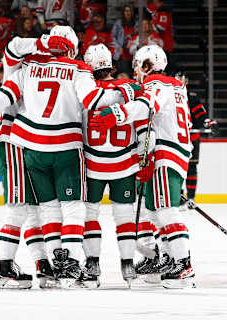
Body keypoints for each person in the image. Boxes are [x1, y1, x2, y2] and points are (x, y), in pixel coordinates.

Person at [0, 26, 137, 287]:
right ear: (71, 48)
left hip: (27, 146)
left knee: (42, 210)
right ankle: (67, 263)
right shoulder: (77, 68)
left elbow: (6, 91)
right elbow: (94, 99)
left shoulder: (28, 66)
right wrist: (125, 92)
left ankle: (47, 266)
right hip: (63, 146)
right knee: (70, 208)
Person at [90, 45, 195, 289]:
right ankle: (168, 259)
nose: (136, 70)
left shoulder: (157, 84)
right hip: (174, 151)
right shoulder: (176, 86)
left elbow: (146, 107)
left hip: (166, 152)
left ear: (147, 66)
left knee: (166, 211)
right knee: (155, 211)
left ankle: (184, 266)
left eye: (138, 65)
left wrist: (114, 114)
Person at [81, 44, 151, 287]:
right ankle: (128, 265)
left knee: (89, 214)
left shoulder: (85, 90)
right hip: (124, 163)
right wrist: (146, 156)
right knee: (124, 214)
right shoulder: (130, 88)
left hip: (92, 164)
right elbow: (144, 123)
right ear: (111, 65)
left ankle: (92, 266)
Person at [175, 71, 219, 208]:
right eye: (177, 79)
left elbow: (200, 115)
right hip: (174, 138)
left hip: (191, 138)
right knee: (175, 168)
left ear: (186, 82)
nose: (180, 82)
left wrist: (207, 122)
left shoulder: (192, 98)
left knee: (191, 167)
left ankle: (191, 198)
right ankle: (177, 196)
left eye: (182, 79)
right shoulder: (167, 98)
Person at [111, 5, 137, 76]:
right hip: (122, 53)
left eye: (130, 11)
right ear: (123, 12)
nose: (128, 13)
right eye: (126, 11)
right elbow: (112, 36)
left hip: (133, 53)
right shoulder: (118, 23)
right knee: (124, 74)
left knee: (133, 74)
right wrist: (118, 46)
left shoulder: (136, 23)